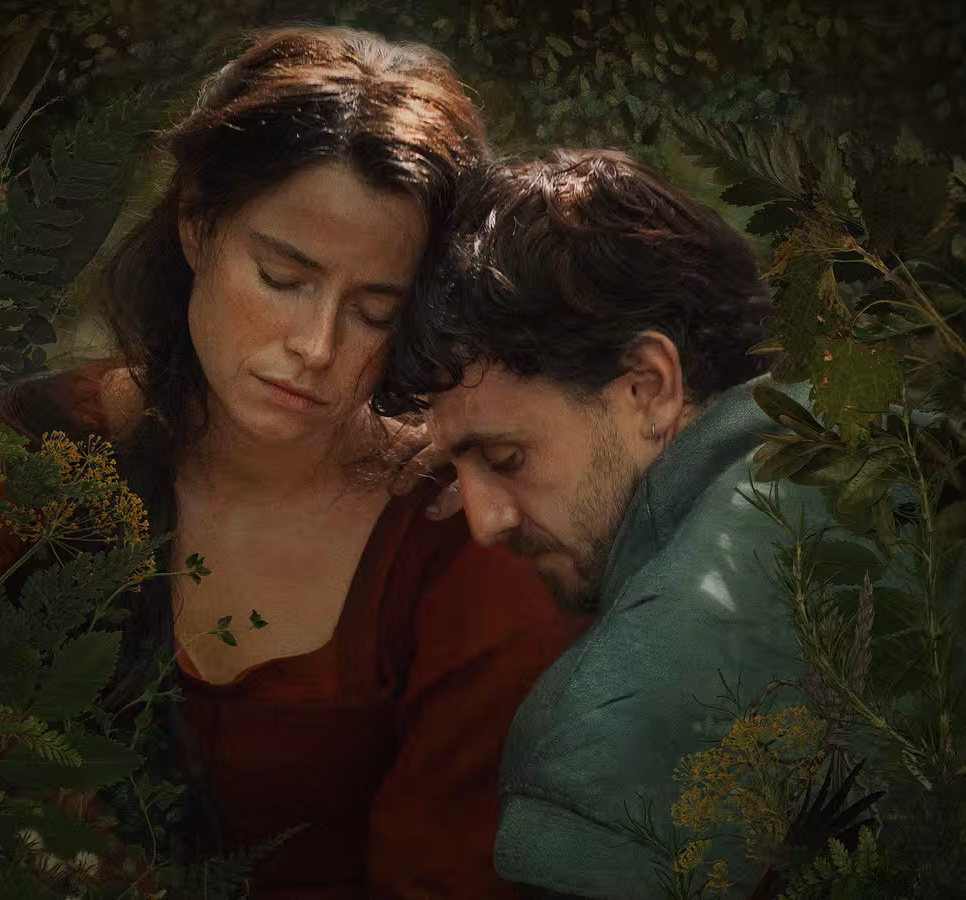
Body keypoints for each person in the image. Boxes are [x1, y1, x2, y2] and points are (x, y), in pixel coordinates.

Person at [0, 27, 588, 899]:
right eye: (283, 278)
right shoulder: (9, 461)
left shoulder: (465, 548)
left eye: (373, 311)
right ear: (196, 224)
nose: (315, 347)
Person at [374, 149, 880, 898]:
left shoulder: (612, 734)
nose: (484, 522)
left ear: (649, 387)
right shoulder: (882, 443)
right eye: (458, 471)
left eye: (507, 457)